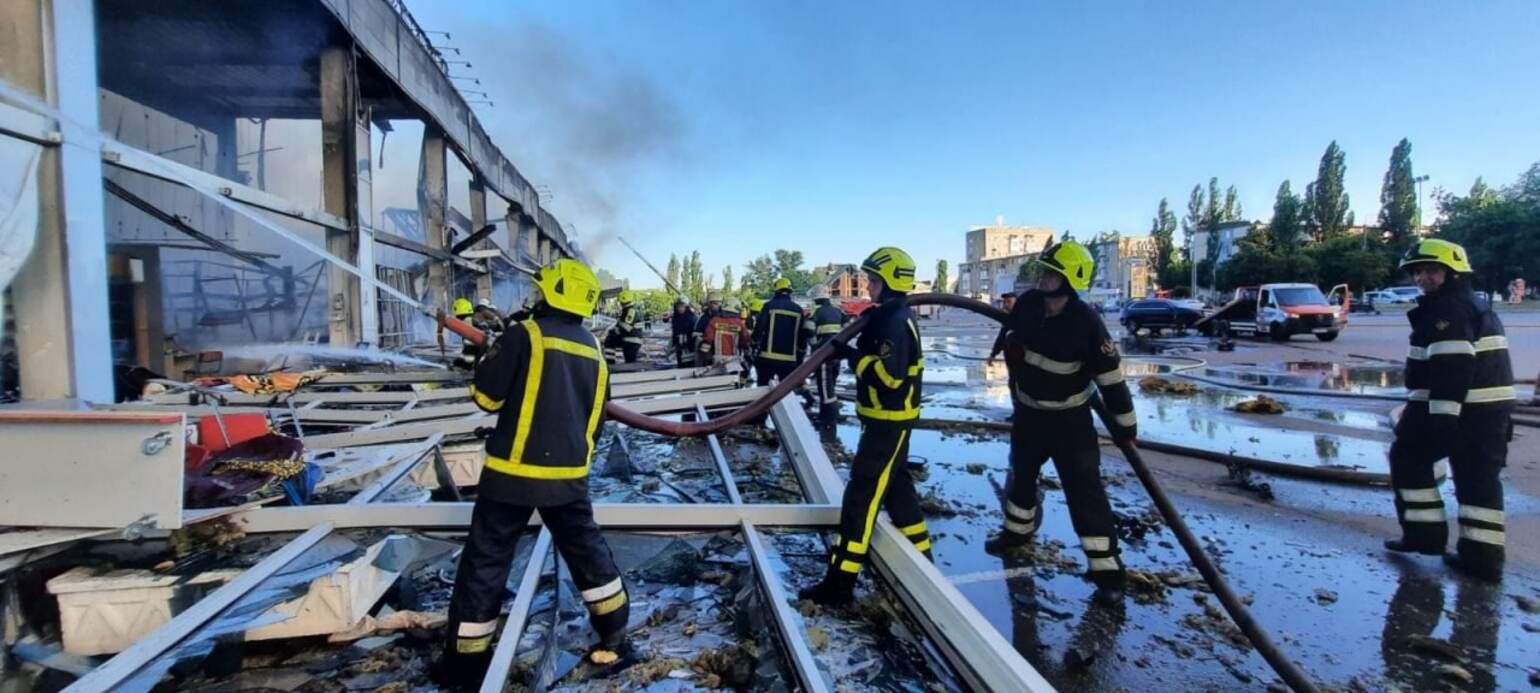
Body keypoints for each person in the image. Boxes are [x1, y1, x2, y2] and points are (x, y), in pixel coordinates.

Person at [434, 258, 631, 686]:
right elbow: (597, 419)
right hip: (569, 478)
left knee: (486, 562)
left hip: (510, 477)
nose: (535, 295)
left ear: (551, 294)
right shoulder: (594, 350)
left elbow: (486, 400)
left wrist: (485, 356)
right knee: (589, 554)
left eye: (541, 290)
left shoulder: (525, 335)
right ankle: (615, 635)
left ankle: (466, 663)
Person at [984, 240, 1138, 606]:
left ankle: (1108, 573)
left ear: (1071, 279)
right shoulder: (1028, 306)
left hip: (1070, 422)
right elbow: (1008, 333)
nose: (1042, 278)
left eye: (1051, 273)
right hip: (1029, 416)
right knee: (1020, 479)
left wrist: (1125, 426)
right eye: (1043, 271)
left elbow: (1111, 379)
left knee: (1085, 494)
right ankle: (1016, 534)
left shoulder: (1086, 322)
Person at [799, 247, 929, 606]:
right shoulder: (888, 315)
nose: (868, 286)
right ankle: (924, 563)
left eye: (872, 280)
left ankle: (840, 582)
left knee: (860, 499)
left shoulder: (892, 321)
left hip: (888, 422)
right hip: (885, 421)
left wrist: (852, 355)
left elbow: (890, 378)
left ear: (888, 282)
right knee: (899, 491)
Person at [1384, 238, 1514, 583]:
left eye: (1432, 271)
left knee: (1408, 458)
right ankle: (1483, 558)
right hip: (1486, 412)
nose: (1423, 278)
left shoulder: (1448, 310)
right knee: (1478, 480)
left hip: (1459, 409)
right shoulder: (1465, 305)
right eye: (1418, 272)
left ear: (1453, 273)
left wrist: (1443, 419)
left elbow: (1452, 369)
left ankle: (1425, 537)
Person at [752, 277, 809, 389]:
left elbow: (759, 328)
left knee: (763, 390)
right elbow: (802, 335)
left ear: (776, 290)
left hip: (767, 358)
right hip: (789, 360)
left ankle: (764, 407)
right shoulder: (798, 310)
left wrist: (754, 343)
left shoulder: (769, 306)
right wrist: (800, 355)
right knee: (786, 392)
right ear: (789, 291)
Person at [804, 284, 849, 426]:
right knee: (831, 384)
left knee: (824, 386)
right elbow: (849, 326)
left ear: (815, 298)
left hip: (823, 354)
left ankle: (829, 417)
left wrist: (814, 345)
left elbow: (809, 329)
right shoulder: (838, 311)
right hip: (837, 353)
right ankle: (826, 413)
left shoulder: (816, 312)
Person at [700, 297, 748, 374]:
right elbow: (745, 341)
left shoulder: (714, 321)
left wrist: (704, 357)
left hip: (717, 359)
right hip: (734, 359)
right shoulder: (740, 324)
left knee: (719, 382)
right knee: (735, 380)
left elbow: (707, 340)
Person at [438, 297, 482, 370]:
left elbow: (470, 350)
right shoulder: (474, 321)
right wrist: (457, 362)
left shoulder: (467, 324)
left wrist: (459, 365)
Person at [613, 290, 643, 363]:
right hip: (630, 340)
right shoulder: (627, 311)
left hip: (631, 341)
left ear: (623, 301)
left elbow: (626, 328)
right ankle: (611, 362)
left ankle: (611, 363)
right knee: (629, 362)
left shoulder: (630, 311)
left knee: (631, 363)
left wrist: (615, 332)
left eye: (620, 302)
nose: (619, 304)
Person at [988, 291, 1019, 362]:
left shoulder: (1023, 316)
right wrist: (993, 355)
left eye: (1009, 302)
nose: (1006, 304)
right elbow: (1001, 337)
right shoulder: (1009, 318)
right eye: (1004, 302)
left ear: (1017, 303)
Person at [693, 292, 722, 367]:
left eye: (719, 303)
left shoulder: (722, 317)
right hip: (706, 347)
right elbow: (696, 333)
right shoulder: (704, 318)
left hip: (720, 348)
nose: (718, 306)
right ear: (709, 304)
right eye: (715, 303)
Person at [668, 296, 697, 369]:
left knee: (689, 368)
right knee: (681, 366)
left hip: (690, 348)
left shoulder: (693, 318)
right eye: (678, 306)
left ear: (686, 307)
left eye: (682, 306)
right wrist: (673, 346)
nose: (680, 308)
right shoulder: (675, 318)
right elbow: (674, 333)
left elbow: (695, 334)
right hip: (679, 348)